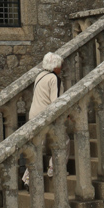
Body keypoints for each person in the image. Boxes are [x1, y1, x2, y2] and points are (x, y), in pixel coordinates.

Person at [22, 52, 63, 186]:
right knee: (63, 141)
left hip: (34, 115)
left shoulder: (39, 75)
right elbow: (55, 101)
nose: (61, 68)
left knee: (37, 147)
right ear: (54, 66)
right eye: (59, 66)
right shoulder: (54, 78)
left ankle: (27, 178)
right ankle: (53, 167)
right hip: (45, 116)